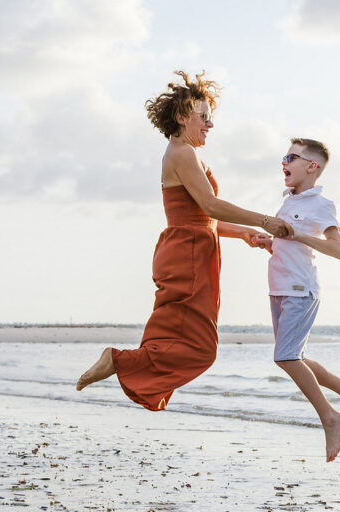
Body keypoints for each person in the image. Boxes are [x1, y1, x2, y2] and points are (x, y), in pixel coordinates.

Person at [75, 70, 292, 410]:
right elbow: (210, 205)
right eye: (203, 117)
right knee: (201, 348)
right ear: (181, 117)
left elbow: (204, 218)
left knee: (179, 336)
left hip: (192, 249)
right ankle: (118, 361)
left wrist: (246, 233)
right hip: (189, 253)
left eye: (210, 118)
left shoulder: (184, 153)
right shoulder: (182, 153)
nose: (210, 124)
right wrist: (264, 219)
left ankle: (123, 363)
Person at [251, 138, 340, 462]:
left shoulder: (321, 204)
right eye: (285, 156)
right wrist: (269, 242)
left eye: (291, 157)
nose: (283, 162)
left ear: (312, 166)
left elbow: (338, 250)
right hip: (279, 288)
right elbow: (288, 244)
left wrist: (298, 235)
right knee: (295, 356)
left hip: (301, 291)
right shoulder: (288, 200)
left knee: (286, 357)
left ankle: (330, 417)